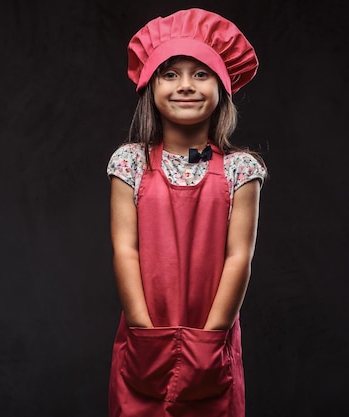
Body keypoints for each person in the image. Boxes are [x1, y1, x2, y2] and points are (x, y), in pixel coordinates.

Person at [106, 8, 267, 417]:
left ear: (222, 87)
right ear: (150, 87)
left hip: (213, 338)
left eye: (200, 74)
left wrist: (211, 339)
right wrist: (144, 330)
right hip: (145, 338)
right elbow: (126, 250)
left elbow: (238, 258)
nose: (185, 87)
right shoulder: (130, 162)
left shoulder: (240, 169)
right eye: (170, 74)